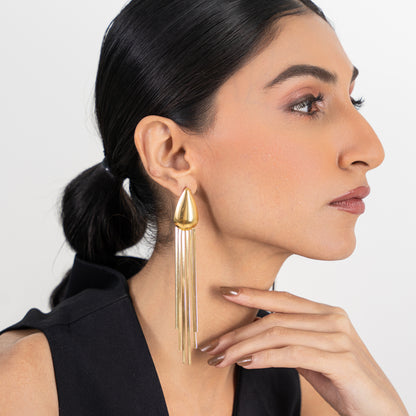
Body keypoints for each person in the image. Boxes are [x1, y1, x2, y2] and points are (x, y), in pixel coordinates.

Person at [0, 0, 410, 415]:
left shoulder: (314, 388)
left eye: (355, 100)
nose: (371, 150)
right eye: (306, 103)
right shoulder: (24, 383)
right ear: (171, 153)